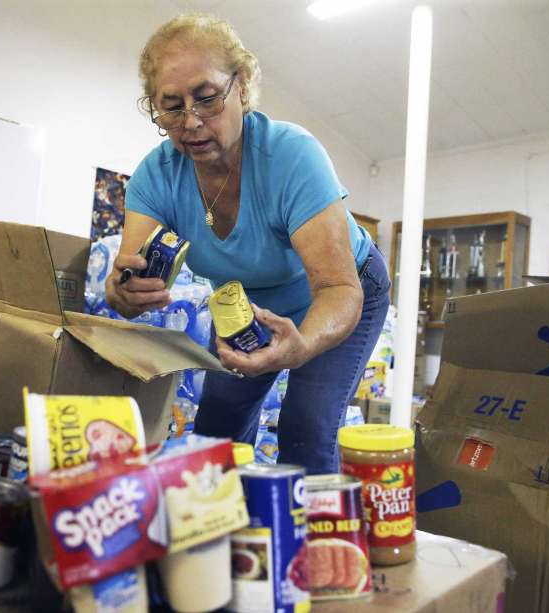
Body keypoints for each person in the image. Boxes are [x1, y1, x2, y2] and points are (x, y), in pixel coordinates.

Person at [105, 13, 390, 474]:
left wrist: (300, 348)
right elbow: (126, 277)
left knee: (307, 425)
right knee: (217, 430)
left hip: (344, 290)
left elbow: (339, 289)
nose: (191, 122)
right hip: (250, 304)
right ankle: (226, 535)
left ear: (242, 86)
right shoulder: (156, 176)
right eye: (171, 106)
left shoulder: (291, 156)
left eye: (207, 98)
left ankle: (320, 543)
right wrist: (124, 291)